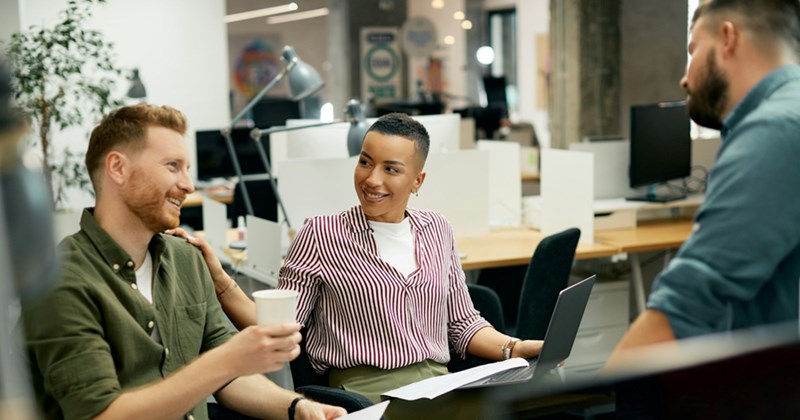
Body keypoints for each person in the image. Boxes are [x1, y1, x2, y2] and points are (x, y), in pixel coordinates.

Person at [177, 112, 544, 407]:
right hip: (365, 398)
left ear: (418, 180)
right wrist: (220, 279)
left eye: (391, 169)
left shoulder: (437, 229)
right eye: (365, 162)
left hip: (441, 390)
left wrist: (513, 347)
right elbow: (275, 326)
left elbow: (463, 324)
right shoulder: (322, 234)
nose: (372, 179)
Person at [21, 104, 345, 420]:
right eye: (173, 166)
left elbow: (229, 379)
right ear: (118, 168)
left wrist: (297, 408)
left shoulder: (186, 259)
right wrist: (226, 361)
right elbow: (101, 414)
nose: (189, 185)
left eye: (187, 168)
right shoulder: (61, 280)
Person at [607, 0, 800, 368]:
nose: (684, 77)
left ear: (727, 38)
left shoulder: (776, 129)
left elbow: (689, 301)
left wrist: (606, 389)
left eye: (692, 50)